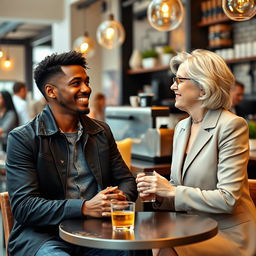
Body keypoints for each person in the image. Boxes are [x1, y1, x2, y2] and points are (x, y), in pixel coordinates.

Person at [6, 51, 137, 256]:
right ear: (51, 91)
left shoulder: (101, 132)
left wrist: (120, 197)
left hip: (97, 232)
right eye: (76, 83)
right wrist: (84, 207)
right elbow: (24, 207)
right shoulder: (23, 138)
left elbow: (127, 181)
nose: (87, 89)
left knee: (133, 250)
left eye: (87, 81)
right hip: (44, 236)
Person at [136, 49, 256, 256]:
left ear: (203, 88)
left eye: (180, 80)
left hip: (227, 233)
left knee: (163, 247)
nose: (173, 86)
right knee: (151, 241)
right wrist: (158, 193)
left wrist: (171, 191)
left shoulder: (231, 126)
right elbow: (177, 188)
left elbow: (228, 199)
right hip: (192, 227)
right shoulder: (182, 128)